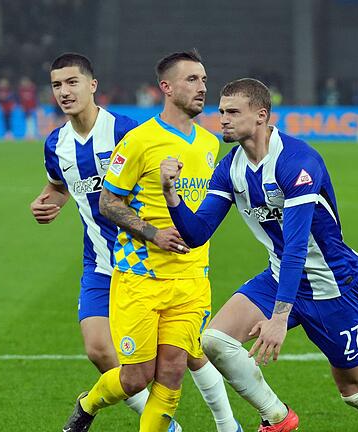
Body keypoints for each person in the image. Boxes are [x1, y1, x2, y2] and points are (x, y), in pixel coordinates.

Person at [162, 78, 358, 432]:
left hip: (331, 285)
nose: (222, 119)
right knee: (215, 339)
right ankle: (277, 417)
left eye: (232, 112)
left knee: (355, 391)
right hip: (280, 276)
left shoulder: (297, 162)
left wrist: (278, 318)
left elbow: (296, 247)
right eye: (221, 111)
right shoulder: (231, 168)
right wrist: (172, 196)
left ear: (261, 115)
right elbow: (196, 234)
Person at [61, 50, 241, 432]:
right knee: (136, 378)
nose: (201, 87)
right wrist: (152, 233)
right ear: (166, 87)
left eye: (204, 80)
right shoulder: (139, 140)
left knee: (174, 370)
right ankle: (89, 402)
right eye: (191, 80)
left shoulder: (210, 144)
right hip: (141, 277)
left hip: (192, 279)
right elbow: (108, 202)